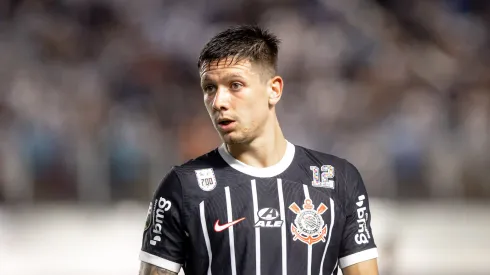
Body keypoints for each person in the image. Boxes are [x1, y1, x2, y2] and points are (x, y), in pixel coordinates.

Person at [138, 25, 379, 275]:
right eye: (210, 88)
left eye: (235, 85)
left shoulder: (338, 180)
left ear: (273, 90)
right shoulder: (182, 188)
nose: (219, 102)